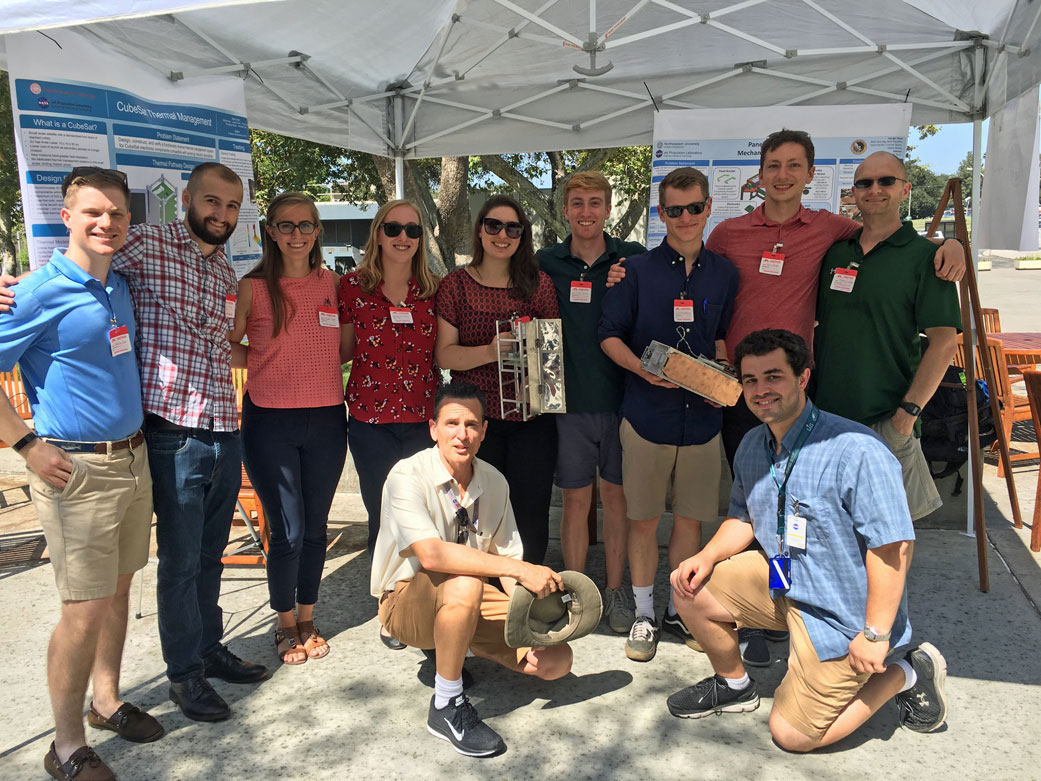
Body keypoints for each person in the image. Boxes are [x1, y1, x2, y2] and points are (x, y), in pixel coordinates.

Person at [607, 129, 965, 666]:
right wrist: (622, 266)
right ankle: (761, 613)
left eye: (793, 166)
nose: (782, 175)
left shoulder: (831, 231)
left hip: (799, 392)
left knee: (805, 515)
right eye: (773, 165)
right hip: (739, 392)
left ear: (810, 175)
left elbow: (889, 231)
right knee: (757, 508)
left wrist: (952, 245)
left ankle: (826, 614)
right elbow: (681, 257)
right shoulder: (728, 232)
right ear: (759, 174)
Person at [667, 329, 948, 751]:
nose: (761, 390)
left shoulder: (855, 450)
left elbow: (894, 548)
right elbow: (743, 518)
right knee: (687, 587)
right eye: (750, 380)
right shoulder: (751, 445)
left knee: (792, 736)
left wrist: (874, 633)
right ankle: (735, 685)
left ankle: (904, 672)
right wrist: (705, 556)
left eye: (773, 377)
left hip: (841, 614)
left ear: (803, 378)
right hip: (785, 584)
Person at [0, 168, 161, 781]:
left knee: (119, 590)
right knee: (82, 609)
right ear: (65, 217)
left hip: (132, 457)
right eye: (93, 212)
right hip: (76, 469)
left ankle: (106, 701)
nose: (107, 223)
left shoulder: (118, 285)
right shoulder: (37, 291)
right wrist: (25, 445)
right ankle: (64, 747)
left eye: (118, 214)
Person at [114, 162, 267, 721]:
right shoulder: (146, 244)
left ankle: (207, 649)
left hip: (225, 429)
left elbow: (223, 346)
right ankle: (184, 678)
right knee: (178, 564)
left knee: (210, 558)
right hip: (172, 433)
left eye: (231, 207)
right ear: (186, 198)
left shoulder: (227, 272)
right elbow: (77, 262)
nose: (221, 214)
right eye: (212, 202)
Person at [371, 380, 573, 757]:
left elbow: (511, 558)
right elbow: (431, 556)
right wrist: (520, 572)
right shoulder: (406, 475)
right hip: (405, 600)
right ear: (433, 429)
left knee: (557, 661)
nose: (461, 434)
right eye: (451, 423)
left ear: (484, 431)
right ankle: (446, 705)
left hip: (469, 598)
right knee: (463, 581)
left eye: (471, 424)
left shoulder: (493, 480)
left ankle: (457, 640)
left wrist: (528, 617)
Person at [599, 167, 739, 662]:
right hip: (646, 416)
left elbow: (722, 336)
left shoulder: (725, 272)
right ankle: (642, 613)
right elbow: (609, 334)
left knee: (690, 522)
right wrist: (641, 369)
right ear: (661, 214)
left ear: (707, 209)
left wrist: (722, 371)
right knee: (643, 519)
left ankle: (680, 610)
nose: (685, 217)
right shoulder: (634, 270)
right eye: (674, 210)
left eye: (695, 208)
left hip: (702, 420)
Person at [229, 192, 348, 665]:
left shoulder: (334, 285)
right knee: (289, 530)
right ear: (270, 232)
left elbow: (344, 347)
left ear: (317, 231)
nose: (296, 234)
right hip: (269, 420)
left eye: (305, 225)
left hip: (325, 418)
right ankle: (283, 623)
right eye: (285, 225)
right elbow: (228, 345)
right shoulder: (252, 288)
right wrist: (266, 360)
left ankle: (307, 617)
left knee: (315, 529)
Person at [813, 152, 960, 521]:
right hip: (825, 422)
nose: (874, 190)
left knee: (888, 544)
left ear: (905, 189)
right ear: (853, 192)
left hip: (886, 421)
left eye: (886, 181)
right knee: (831, 536)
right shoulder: (834, 253)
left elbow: (944, 343)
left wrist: (907, 416)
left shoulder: (927, 258)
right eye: (865, 183)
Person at [536, 171, 645, 633]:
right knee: (576, 501)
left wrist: (630, 282)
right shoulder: (545, 262)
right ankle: (576, 591)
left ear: (608, 208)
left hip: (623, 401)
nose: (586, 211)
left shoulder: (633, 259)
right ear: (565, 209)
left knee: (617, 501)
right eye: (577, 202)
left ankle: (617, 591)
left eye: (595, 203)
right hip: (568, 404)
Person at [337, 198, 440, 650]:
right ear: (378, 233)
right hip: (370, 421)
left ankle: (424, 599)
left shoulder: (434, 289)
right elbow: (335, 349)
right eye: (394, 228)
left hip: (422, 419)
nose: (403, 238)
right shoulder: (350, 288)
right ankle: (389, 607)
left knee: (424, 515)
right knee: (384, 515)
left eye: (412, 231)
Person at [435, 195, 560, 565]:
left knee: (531, 510)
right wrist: (490, 352)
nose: (502, 234)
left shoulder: (539, 285)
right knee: (476, 509)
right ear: (479, 230)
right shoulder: (455, 285)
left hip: (531, 420)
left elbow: (551, 350)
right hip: (474, 422)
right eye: (493, 225)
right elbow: (445, 354)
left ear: (523, 236)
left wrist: (535, 379)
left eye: (513, 228)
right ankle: (480, 590)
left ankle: (528, 589)